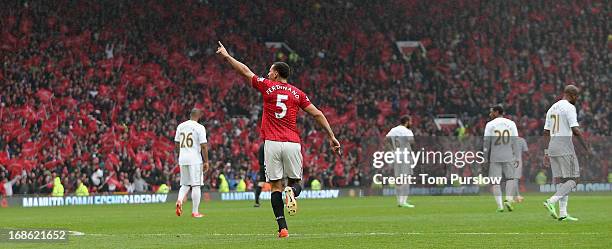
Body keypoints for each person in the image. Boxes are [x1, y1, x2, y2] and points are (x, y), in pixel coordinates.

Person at [217, 41, 341, 238]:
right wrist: (332, 136)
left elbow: (245, 71)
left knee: (275, 187)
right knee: (296, 182)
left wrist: (226, 56)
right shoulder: (298, 93)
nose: (267, 74)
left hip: (272, 143)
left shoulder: (267, 86)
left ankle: (283, 228)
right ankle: (291, 191)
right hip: (292, 143)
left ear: (275, 74)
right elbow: (317, 114)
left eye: (269, 71)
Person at [542, 85, 589, 221]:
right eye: (577, 96)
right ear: (572, 95)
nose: (577, 99)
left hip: (552, 146)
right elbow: (575, 130)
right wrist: (586, 147)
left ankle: (563, 213)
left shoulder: (552, 108)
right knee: (574, 179)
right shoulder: (569, 107)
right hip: (564, 146)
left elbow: (546, 132)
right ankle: (551, 201)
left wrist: (546, 152)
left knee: (563, 180)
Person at [483, 105, 520, 212]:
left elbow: (486, 143)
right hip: (508, 155)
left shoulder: (490, 124)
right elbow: (515, 141)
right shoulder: (511, 123)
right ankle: (508, 199)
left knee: (495, 182)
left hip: (495, 156)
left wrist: (485, 158)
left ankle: (500, 206)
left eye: (491, 112)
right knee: (510, 179)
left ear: (497, 112)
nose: (490, 114)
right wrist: (517, 156)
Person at [174, 108, 210, 218]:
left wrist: (180, 154)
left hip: (183, 158)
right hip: (195, 159)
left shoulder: (181, 126)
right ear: (199, 116)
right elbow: (204, 146)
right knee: (196, 185)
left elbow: (176, 143)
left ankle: (179, 200)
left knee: (185, 184)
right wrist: (206, 161)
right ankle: (195, 212)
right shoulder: (200, 127)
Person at [385, 115, 415, 208]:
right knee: (406, 179)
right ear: (406, 121)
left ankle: (399, 201)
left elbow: (387, 139)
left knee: (398, 179)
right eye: (410, 121)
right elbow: (412, 142)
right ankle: (404, 201)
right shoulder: (407, 131)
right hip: (405, 155)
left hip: (396, 155)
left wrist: (392, 150)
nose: (411, 123)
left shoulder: (393, 130)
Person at [514, 136, 528, 202]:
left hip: (507, 160)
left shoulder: (507, 139)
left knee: (510, 179)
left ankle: (513, 196)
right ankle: (517, 196)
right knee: (515, 179)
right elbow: (526, 151)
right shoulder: (521, 140)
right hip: (517, 161)